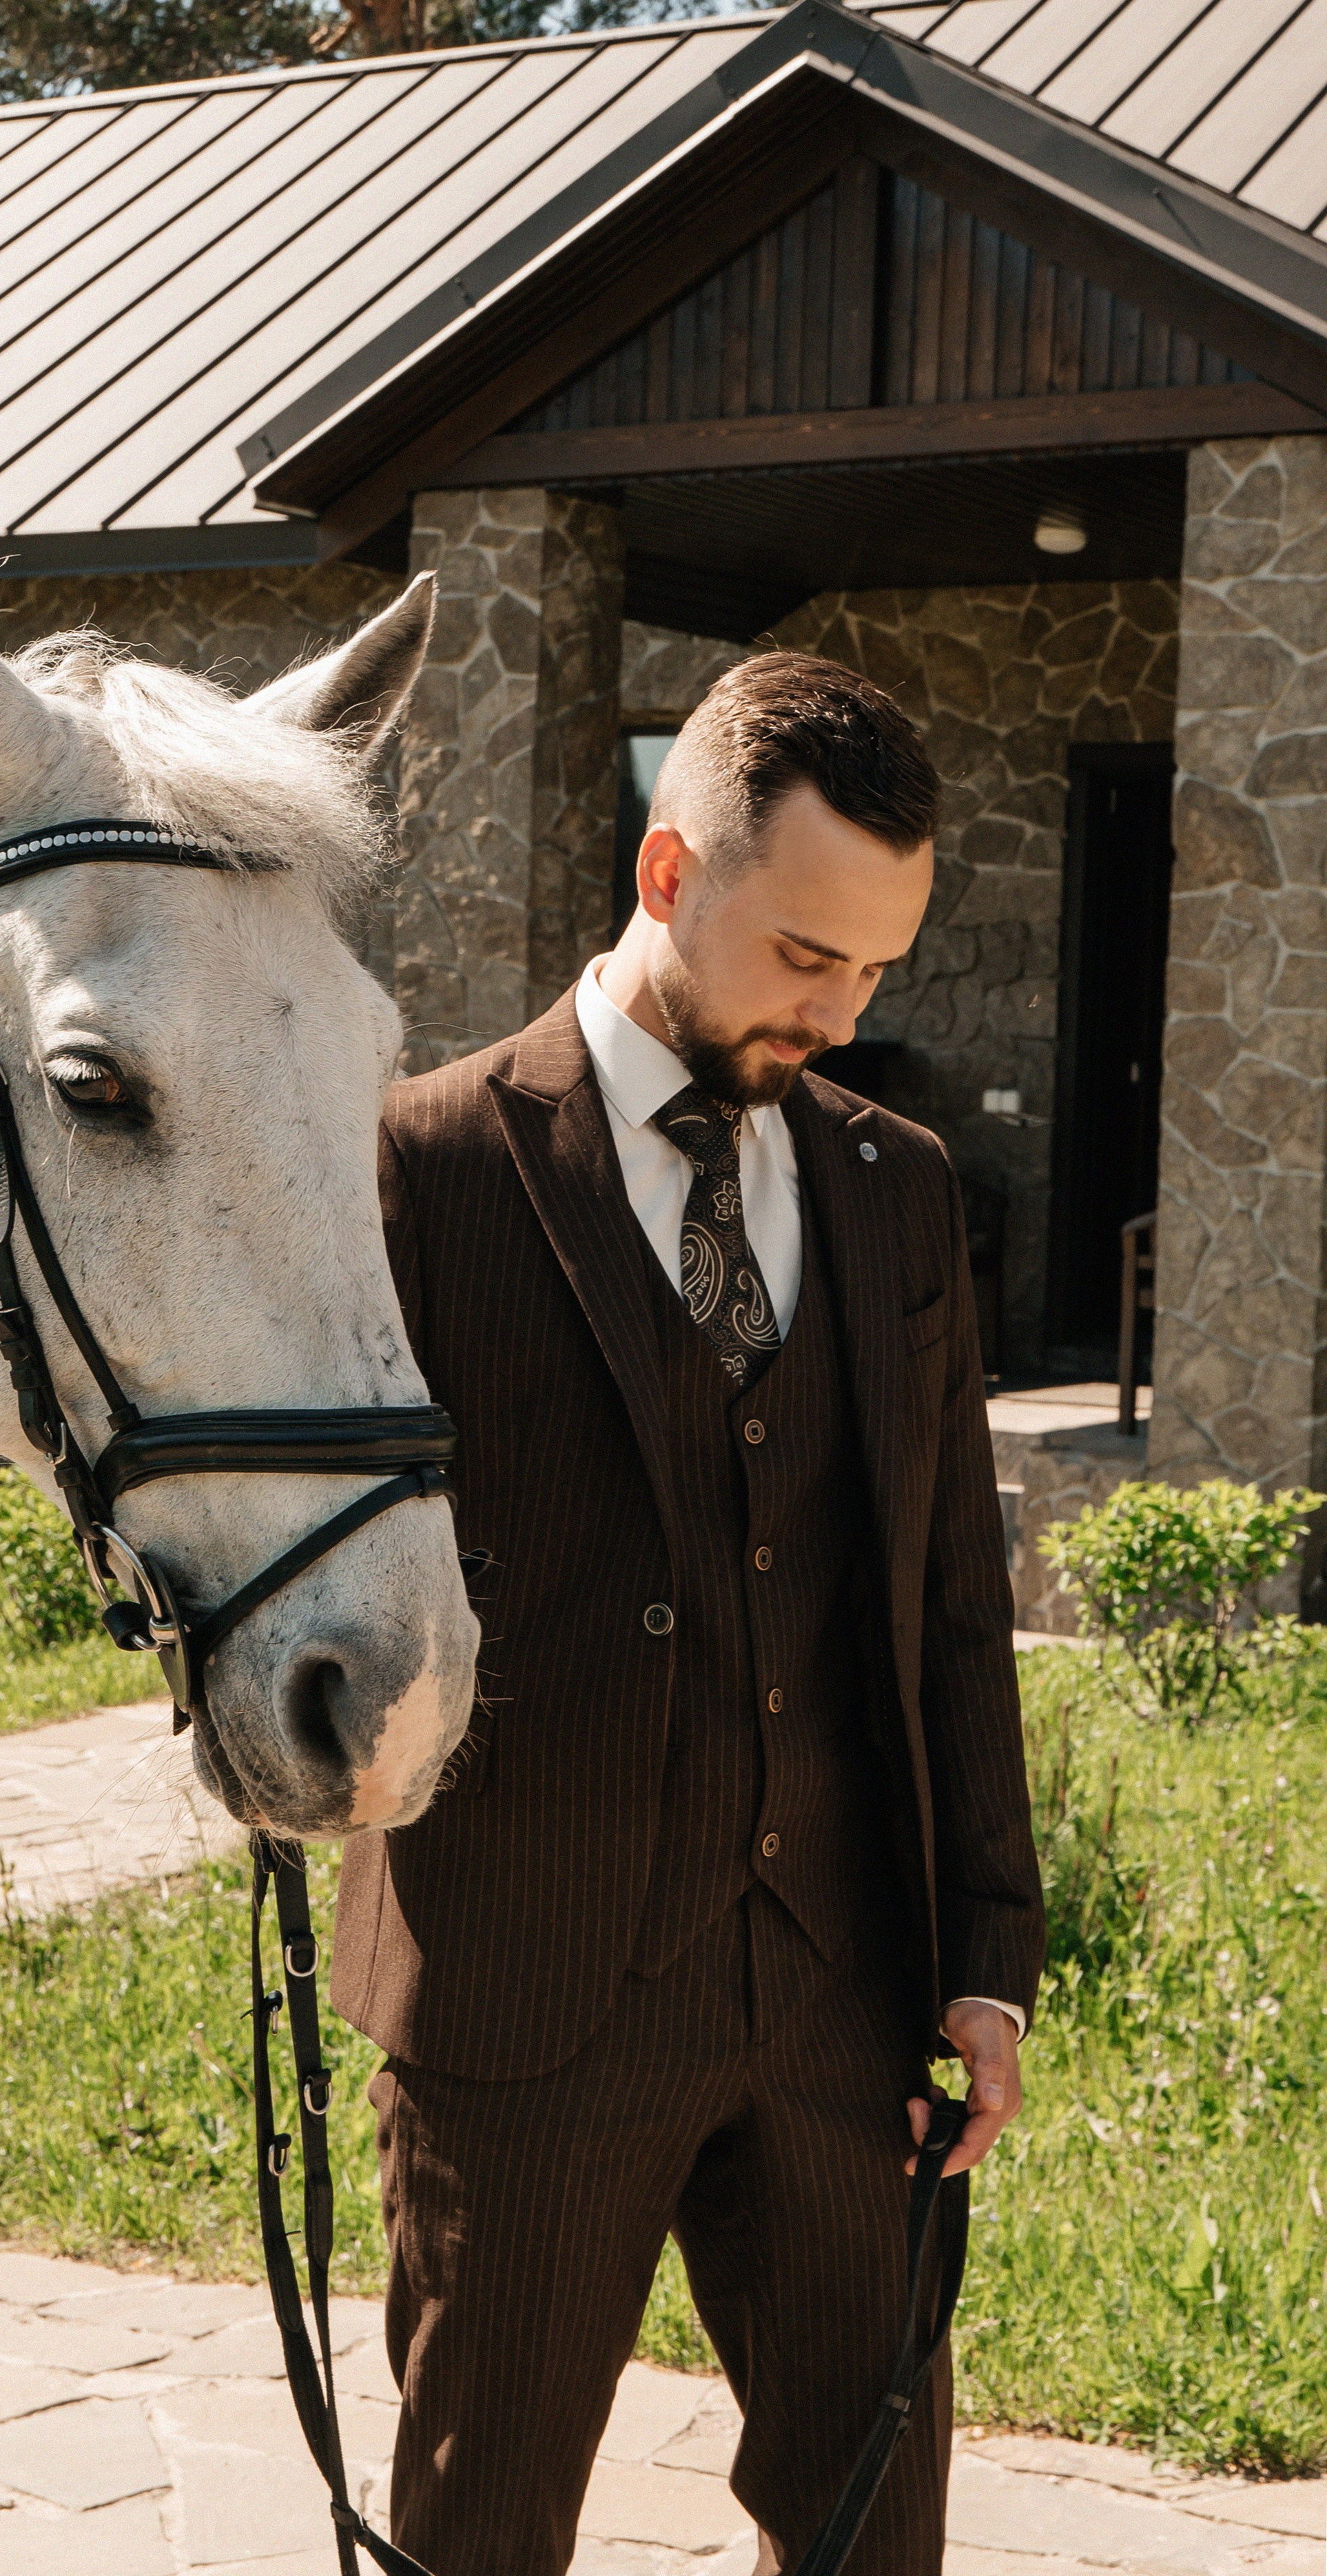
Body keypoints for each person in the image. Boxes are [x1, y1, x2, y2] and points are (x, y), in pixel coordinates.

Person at [332, 650, 1045, 2575]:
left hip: (839, 1992)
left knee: (872, 2529)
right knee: (480, 2538)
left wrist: (984, 1951)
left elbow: (952, 1598)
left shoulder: (899, 1193)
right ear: (667, 874)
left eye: (878, 966)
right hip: (530, 1987)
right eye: (807, 952)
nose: (842, 1008)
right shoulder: (422, 1163)